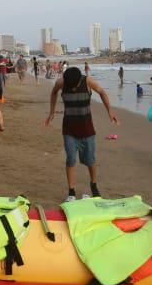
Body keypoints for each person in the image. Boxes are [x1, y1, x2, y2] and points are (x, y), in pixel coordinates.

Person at [45, 66, 119, 202]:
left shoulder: (88, 81)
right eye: (70, 86)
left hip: (87, 129)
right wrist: (51, 112)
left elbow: (102, 92)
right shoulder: (61, 82)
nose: (72, 88)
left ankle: (94, 185)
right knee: (70, 159)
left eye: (74, 86)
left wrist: (110, 111)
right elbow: (53, 93)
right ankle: (71, 191)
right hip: (69, 129)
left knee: (90, 160)